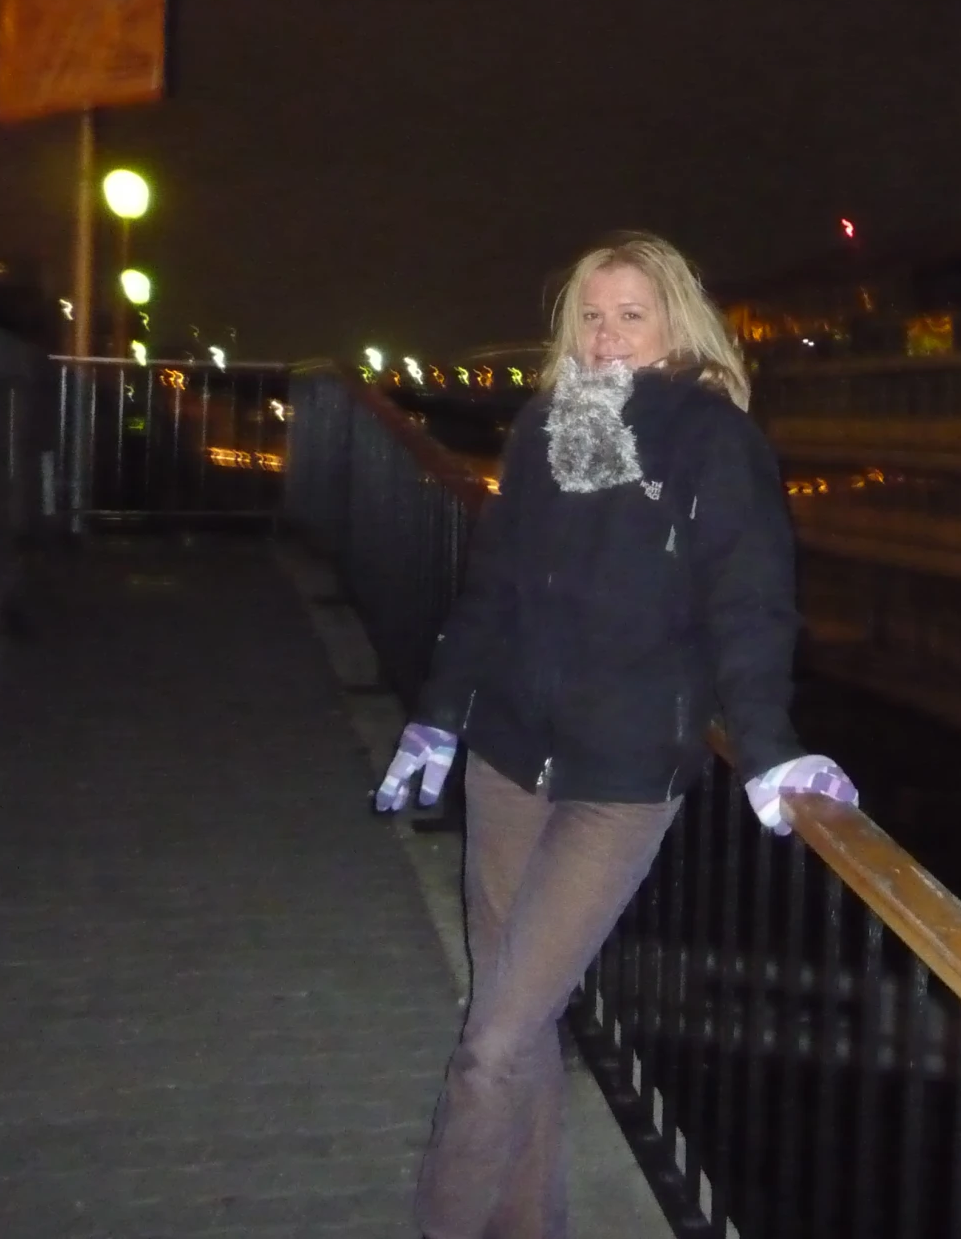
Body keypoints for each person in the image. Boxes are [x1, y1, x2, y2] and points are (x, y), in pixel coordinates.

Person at [373, 232, 859, 1239]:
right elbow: (493, 591)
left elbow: (749, 603)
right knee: (524, 1023)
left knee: (490, 1044)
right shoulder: (546, 425)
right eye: (590, 315)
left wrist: (766, 748)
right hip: (508, 759)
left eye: (628, 314)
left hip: (622, 776)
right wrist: (436, 712)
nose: (604, 335)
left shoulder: (709, 437)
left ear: (673, 323)